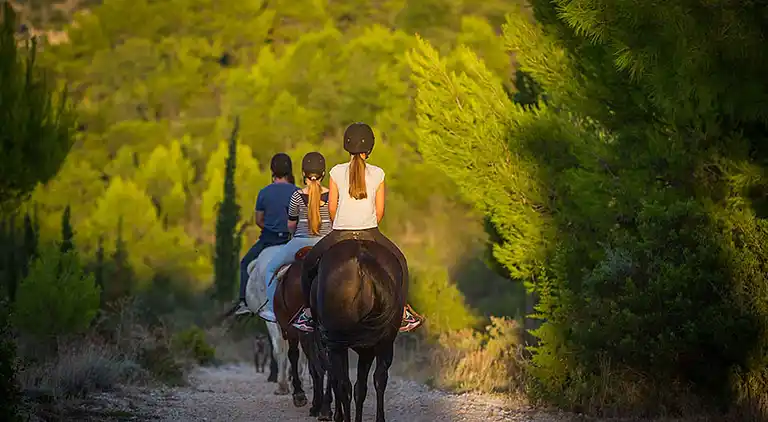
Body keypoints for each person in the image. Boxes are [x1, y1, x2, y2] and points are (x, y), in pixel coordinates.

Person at [291, 122, 423, 333]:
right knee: (400, 262)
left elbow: (332, 209)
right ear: (369, 149)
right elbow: (380, 211)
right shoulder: (378, 173)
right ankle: (402, 312)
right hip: (371, 232)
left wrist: (343, 223)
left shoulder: (336, 171)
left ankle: (307, 313)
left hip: (339, 234)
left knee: (308, 265)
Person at [256, 152, 332, 322]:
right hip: (325, 244)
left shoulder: (297, 196)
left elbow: (291, 225)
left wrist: (295, 233)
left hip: (300, 242)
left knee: (270, 269)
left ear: (303, 174)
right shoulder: (332, 196)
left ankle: (271, 310)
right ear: (324, 174)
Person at [234, 153, 299, 316]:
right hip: (292, 241)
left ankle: (243, 302)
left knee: (244, 264)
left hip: (268, 240)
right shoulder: (299, 192)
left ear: (272, 171)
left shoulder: (264, 193)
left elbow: (259, 220)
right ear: (289, 171)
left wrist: (271, 226)